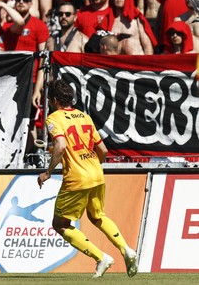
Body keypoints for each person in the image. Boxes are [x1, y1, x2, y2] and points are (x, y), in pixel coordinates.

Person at [38, 79, 138, 278]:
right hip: (96, 174)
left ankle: (101, 258)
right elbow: (103, 150)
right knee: (97, 216)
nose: (49, 103)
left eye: (49, 100)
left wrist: (48, 172)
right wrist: (91, 165)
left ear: (55, 100)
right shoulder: (84, 117)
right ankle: (127, 249)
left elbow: (60, 146)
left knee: (60, 225)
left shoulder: (53, 118)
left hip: (76, 179)